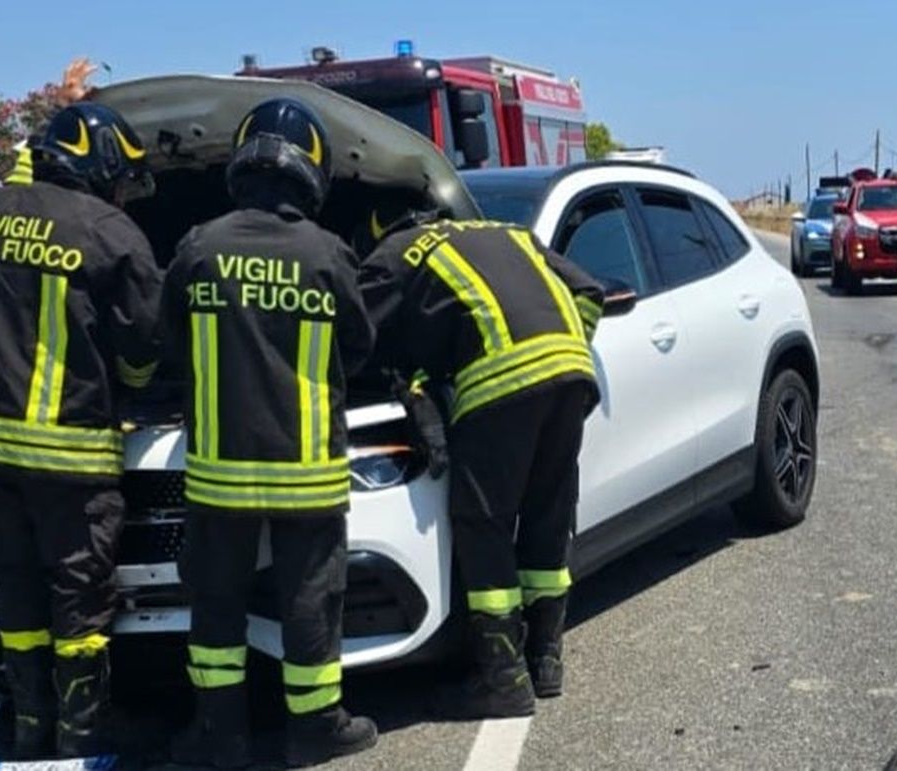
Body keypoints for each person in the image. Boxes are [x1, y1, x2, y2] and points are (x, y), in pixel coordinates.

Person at [163, 98, 377, 769]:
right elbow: (362, 348)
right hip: (308, 471)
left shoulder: (198, 246)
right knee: (311, 601)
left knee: (216, 609)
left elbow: (166, 344)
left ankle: (218, 735)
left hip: (218, 474)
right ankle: (316, 728)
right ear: (310, 169)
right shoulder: (328, 254)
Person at [0, 102, 161, 758]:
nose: (121, 190)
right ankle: (81, 733)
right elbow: (142, 348)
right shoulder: (113, 233)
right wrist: (136, 390)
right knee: (79, 596)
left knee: (17, 590)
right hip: (71, 451)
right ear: (103, 164)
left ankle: (27, 727)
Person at [357, 208, 604, 718]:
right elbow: (590, 292)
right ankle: (545, 659)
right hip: (572, 375)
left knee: (482, 521)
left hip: (500, 387)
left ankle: (502, 679)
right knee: (546, 515)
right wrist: (568, 348)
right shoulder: (509, 231)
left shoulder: (397, 251)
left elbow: (354, 334)